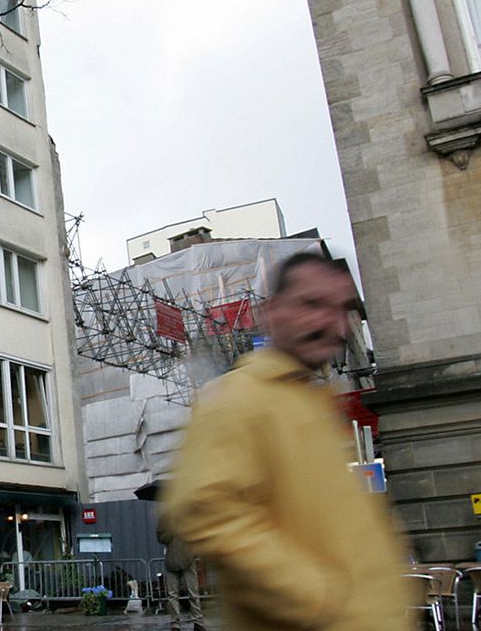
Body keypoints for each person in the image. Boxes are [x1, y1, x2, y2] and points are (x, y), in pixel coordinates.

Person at [162, 252, 412, 631]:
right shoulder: (236, 397)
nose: (328, 322)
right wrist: (320, 598)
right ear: (271, 312)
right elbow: (207, 509)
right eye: (311, 304)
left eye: (339, 309)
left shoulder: (310, 402)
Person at [156, 511, 204, 631]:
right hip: (171, 561)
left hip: (188, 559)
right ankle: (175, 624)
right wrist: (170, 530)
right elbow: (161, 538)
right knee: (173, 595)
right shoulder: (165, 518)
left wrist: (194, 553)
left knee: (193, 592)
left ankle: (198, 622)